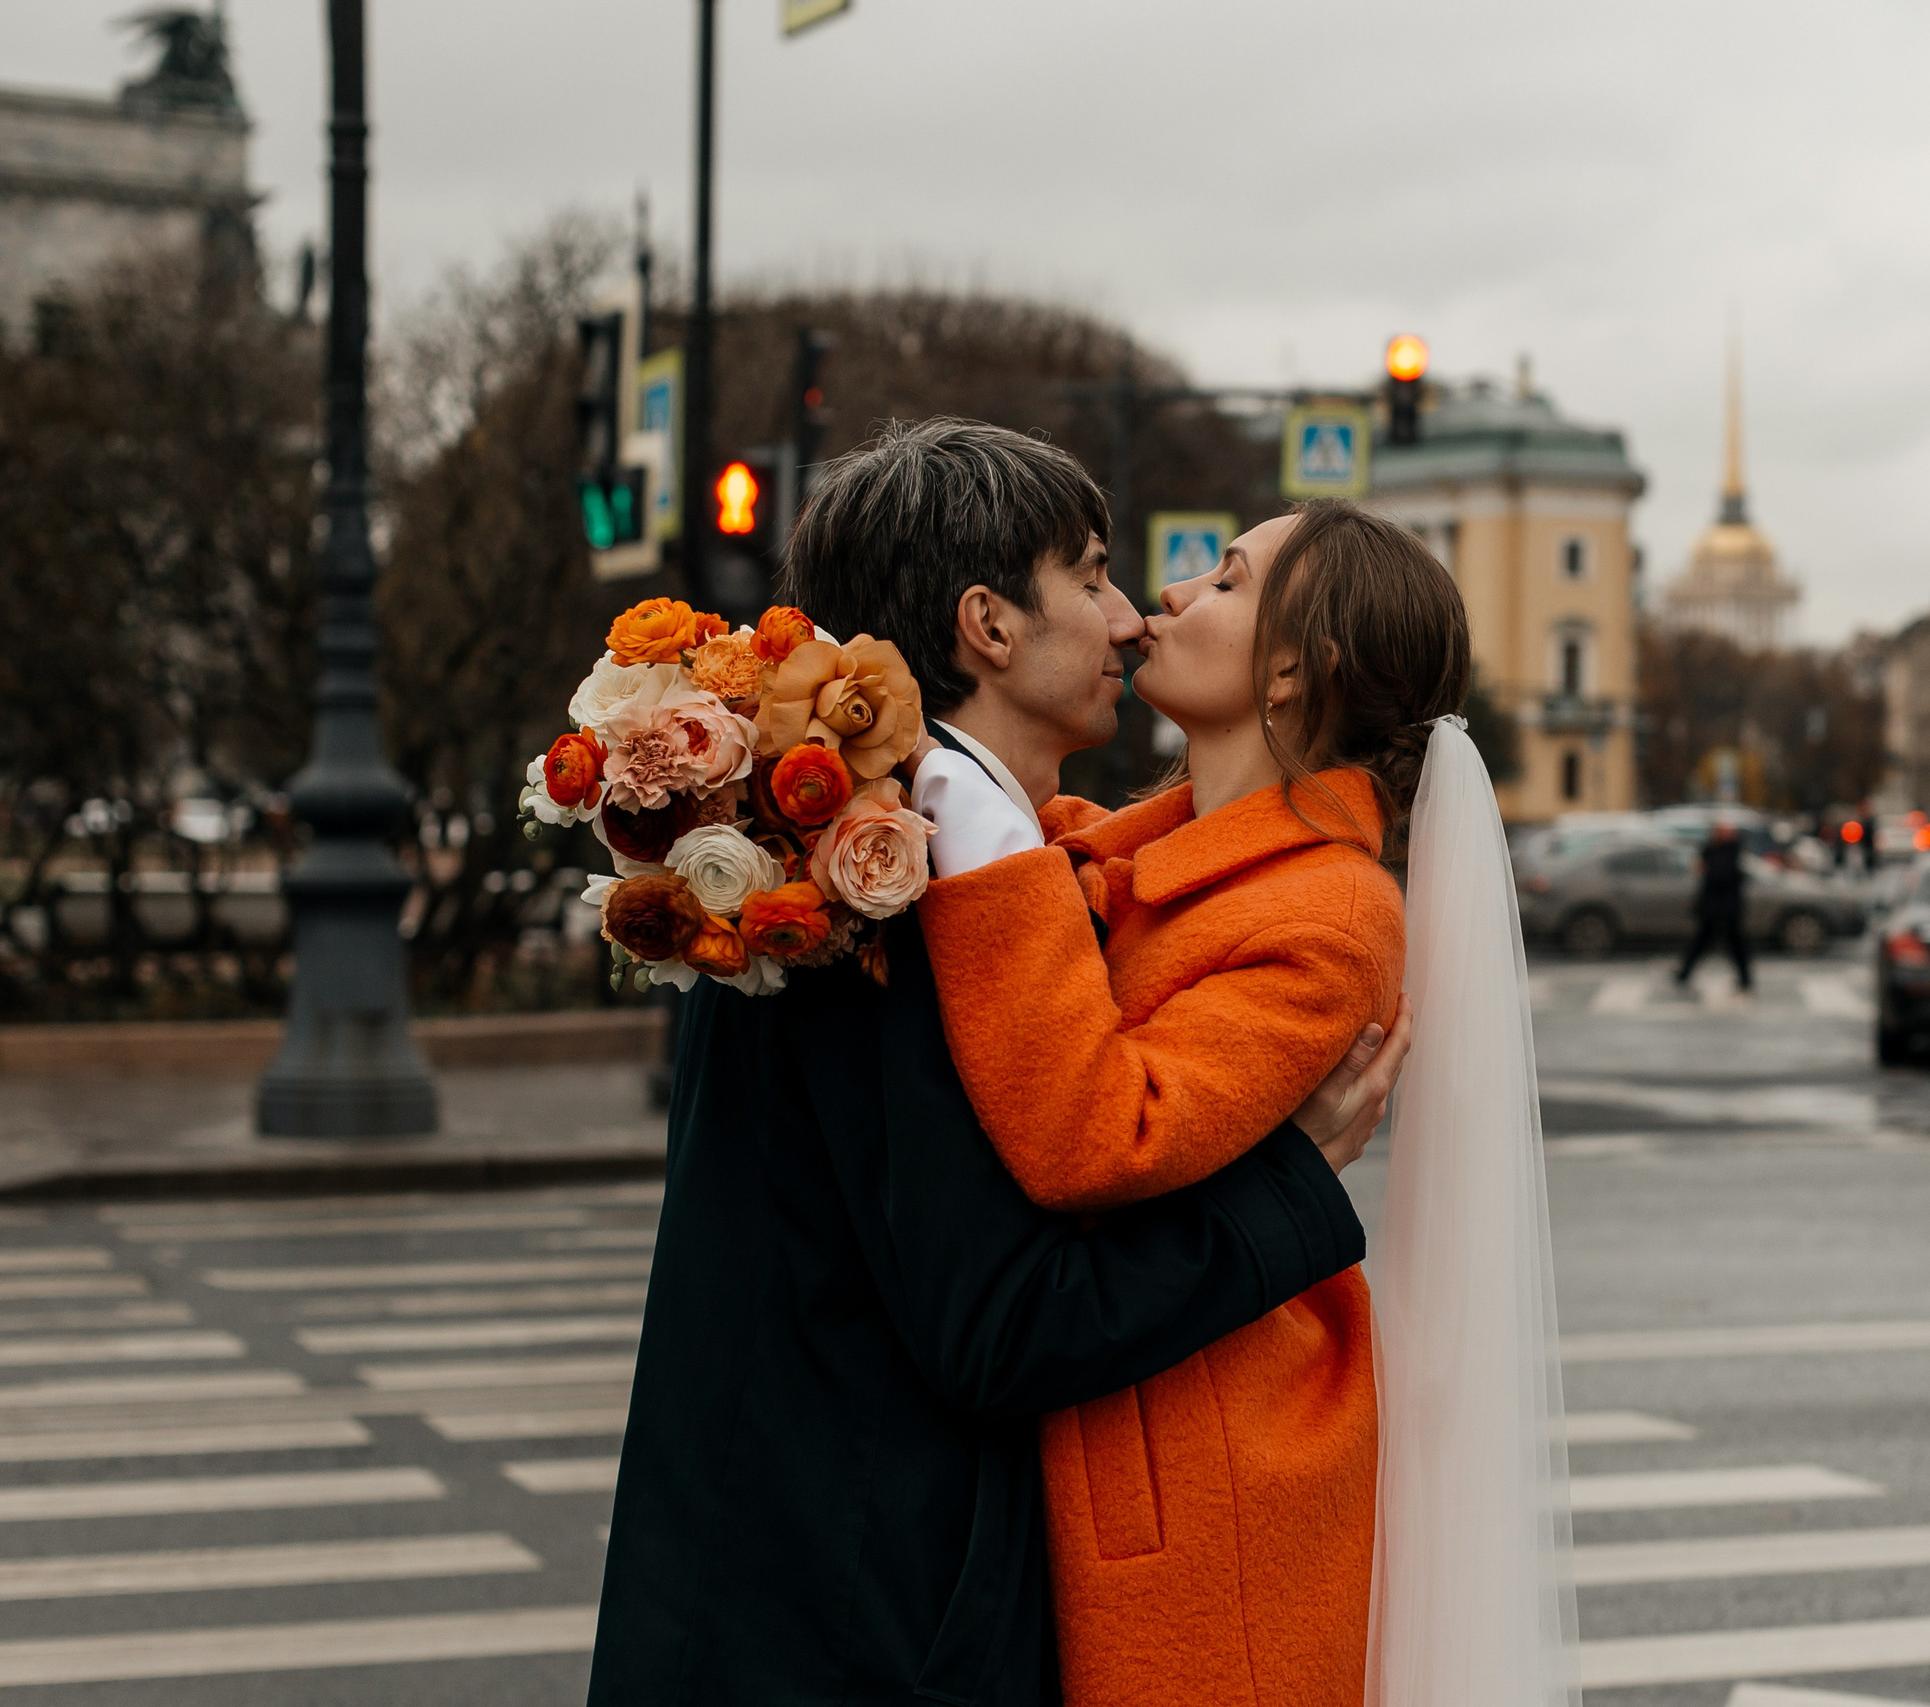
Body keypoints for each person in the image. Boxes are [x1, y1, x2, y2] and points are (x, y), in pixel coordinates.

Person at [585, 421, 1409, 1707]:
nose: (1136, 616)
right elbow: (1006, 1323)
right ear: (990, 626)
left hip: (798, 1598)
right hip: (850, 1625)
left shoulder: (865, 849)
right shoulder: (900, 886)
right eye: (1092, 574)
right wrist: (1293, 1187)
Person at [906, 501, 1577, 1707]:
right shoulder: (1125, 850)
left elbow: (1096, 1138)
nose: (1166, 595)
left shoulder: (1329, 913)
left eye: (1221, 581)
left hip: (1215, 1480)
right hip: (1122, 1434)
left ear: (1288, 670)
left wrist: (995, 868)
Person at [1674, 818, 1754, 995]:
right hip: (1715, 905)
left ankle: (1745, 978)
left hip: (1726, 906)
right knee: (1704, 941)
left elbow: (1720, 875)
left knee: (1732, 943)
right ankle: (1684, 973)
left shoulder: (1731, 850)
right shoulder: (1712, 850)